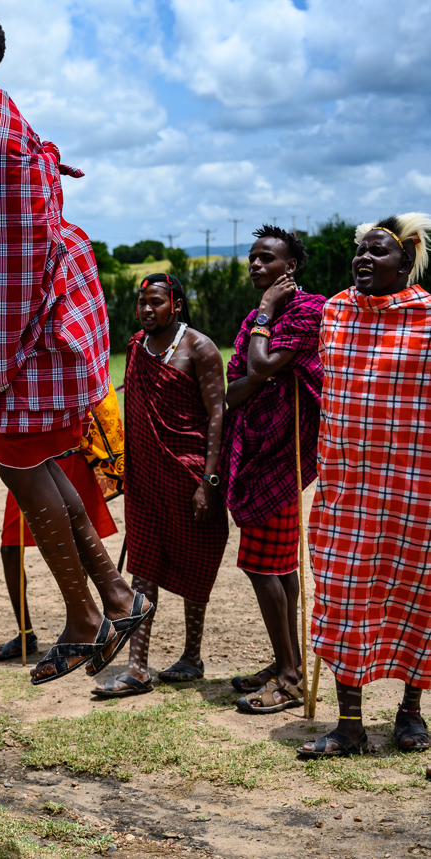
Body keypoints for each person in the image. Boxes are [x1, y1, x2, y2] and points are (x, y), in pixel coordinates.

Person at [0, 8, 149, 683]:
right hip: (38, 320)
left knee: (22, 462)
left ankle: (97, 608)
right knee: (33, 462)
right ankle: (107, 602)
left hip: (27, 327)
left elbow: (12, 261)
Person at [300, 214, 431, 758]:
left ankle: (410, 713)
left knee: (415, 596)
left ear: (406, 263)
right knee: (344, 596)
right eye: (360, 252)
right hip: (347, 489)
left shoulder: (427, 318)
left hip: (414, 488)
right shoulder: (335, 313)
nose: (363, 260)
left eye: (378, 253)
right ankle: (349, 725)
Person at [92, 274, 229, 697]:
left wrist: (208, 480)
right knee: (143, 569)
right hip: (146, 479)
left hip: (189, 477)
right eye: (142, 303)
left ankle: (192, 656)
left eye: (155, 302)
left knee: (196, 563)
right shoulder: (137, 347)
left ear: (177, 304)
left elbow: (216, 415)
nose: (147, 310)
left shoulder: (199, 348)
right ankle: (137, 667)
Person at [218, 225, 326, 714]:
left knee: (265, 566)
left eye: (267, 259)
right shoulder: (253, 318)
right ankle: (288, 660)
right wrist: (258, 366)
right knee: (274, 566)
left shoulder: (307, 310)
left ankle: (288, 676)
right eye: (253, 258)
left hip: (285, 452)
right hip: (255, 447)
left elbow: (255, 370)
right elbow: (233, 389)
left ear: (291, 268)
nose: (257, 266)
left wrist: (264, 318)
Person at [0, 400, 122, 662]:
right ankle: (25, 633)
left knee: (79, 544)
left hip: (71, 455)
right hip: (27, 459)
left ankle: (86, 627)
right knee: (10, 548)